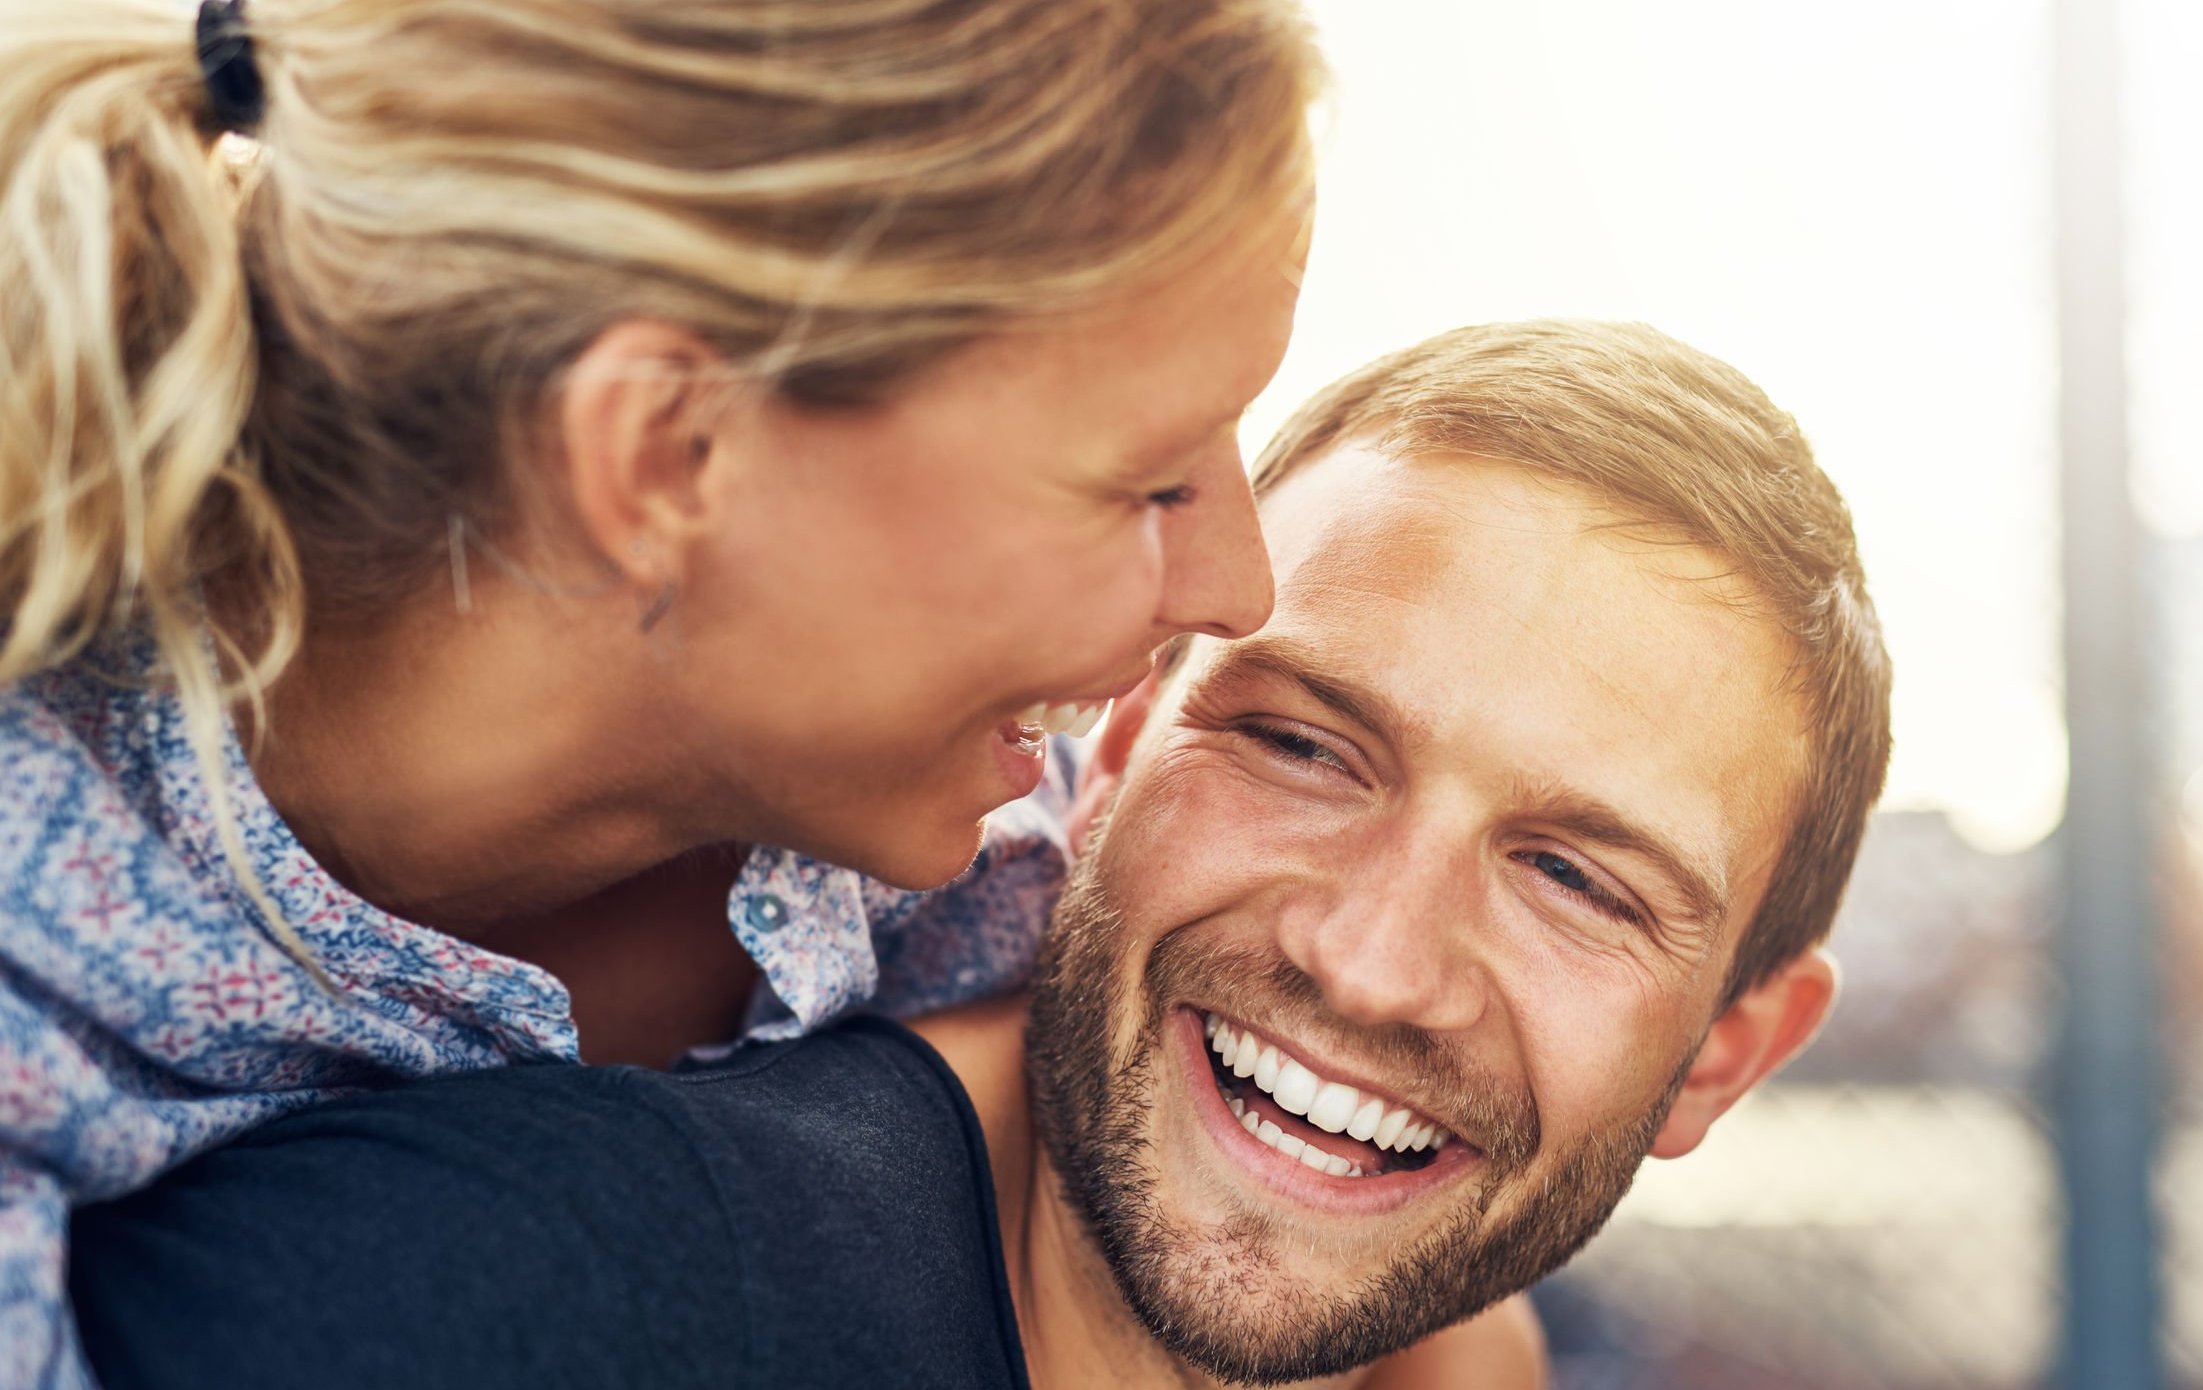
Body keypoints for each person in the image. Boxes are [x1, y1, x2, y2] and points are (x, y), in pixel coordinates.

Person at [68, 320, 1896, 1388]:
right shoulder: (504, 1299)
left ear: (1724, 1049)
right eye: (1300, 744)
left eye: (1575, 876)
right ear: (1107, 750)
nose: (1373, 960)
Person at [0, 0, 1321, 1383]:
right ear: (666, 452)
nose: (1239, 588)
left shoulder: (962, 830)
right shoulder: (44, 977)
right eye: (1151, 480)